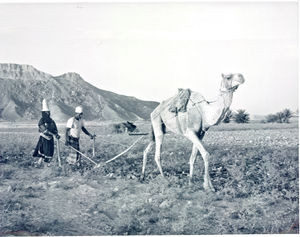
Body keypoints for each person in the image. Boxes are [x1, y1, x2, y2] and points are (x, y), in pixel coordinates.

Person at [33, 99, 60, 166]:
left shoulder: (51, 120)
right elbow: (44, 130)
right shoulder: (41, 121)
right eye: (46, 112)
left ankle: (46, 164)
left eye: (49, 112)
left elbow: (55, 128)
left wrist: (56, 134)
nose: (48, 113)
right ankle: (42, 164)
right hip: (44, 138)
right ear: (44, 113)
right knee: (44, 151)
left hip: (50, 138)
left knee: (50, 151)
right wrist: (54, 134)